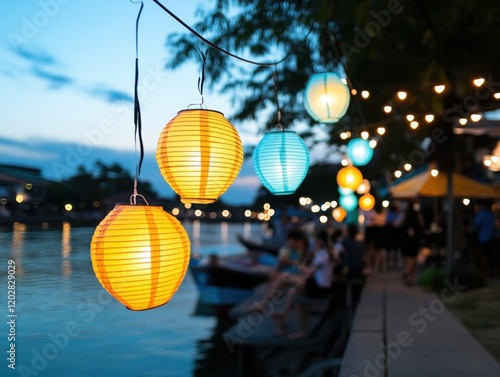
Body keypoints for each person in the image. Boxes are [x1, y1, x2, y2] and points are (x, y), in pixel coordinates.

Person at [273, 230, 334, 338]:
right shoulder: (327, 253)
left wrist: (299, 265)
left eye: (315, 241)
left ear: (319, 242)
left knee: (285, 278)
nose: (313, 243)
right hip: (322, 287)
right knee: (292, 291)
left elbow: (309, 273)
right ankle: (285, 315)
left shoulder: (322, 254)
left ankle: (267, 305)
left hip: (319, 288)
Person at [246, 229, 309, 312]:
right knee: (280, 279)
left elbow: (284, 262)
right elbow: (282, 262)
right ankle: (267, 304)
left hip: (298, 277)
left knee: (281, 279)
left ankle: (263, 304)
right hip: (294, 276)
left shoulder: (300, 251)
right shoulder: (289, 250)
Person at [336, 224, 367, 307]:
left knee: (340, 279)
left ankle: (341, 303)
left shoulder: (345, 241)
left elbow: (337, 253)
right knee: (356, 287)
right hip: (359, 270)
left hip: (348, 270)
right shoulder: (361, 243)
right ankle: (354, 301)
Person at [401, 201, 424, 286]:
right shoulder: (417, 217)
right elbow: (422, 225)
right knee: (413, 258)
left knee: (408, 258)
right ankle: (409, 274)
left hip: (406, 240)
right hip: (414, 241)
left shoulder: (405, 217)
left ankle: (409, 277)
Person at [474, 199, 496, 276]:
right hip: (491, 237)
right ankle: (490, 271)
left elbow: (476, 224)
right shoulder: (491, 214)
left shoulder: (482, 214)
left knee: (480, 255)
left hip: (483, 238)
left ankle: (480, 271)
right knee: (490, 255)